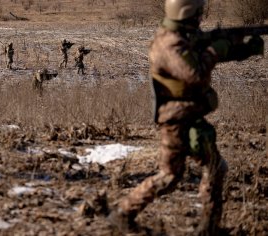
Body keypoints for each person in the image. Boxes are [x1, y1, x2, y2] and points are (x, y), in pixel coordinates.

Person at [107, 0, 264, 235]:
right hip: (175, 121)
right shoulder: (168, 44)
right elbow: (196, 73)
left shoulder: (183, 37)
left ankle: (209, 227)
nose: (201, 16)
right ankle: (123, 215)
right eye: (198, 12)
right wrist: (216, 49)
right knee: (171, 176)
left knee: (214, 167)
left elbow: (206, 54)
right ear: (186, 13)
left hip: (190, 116)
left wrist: (243, 49)